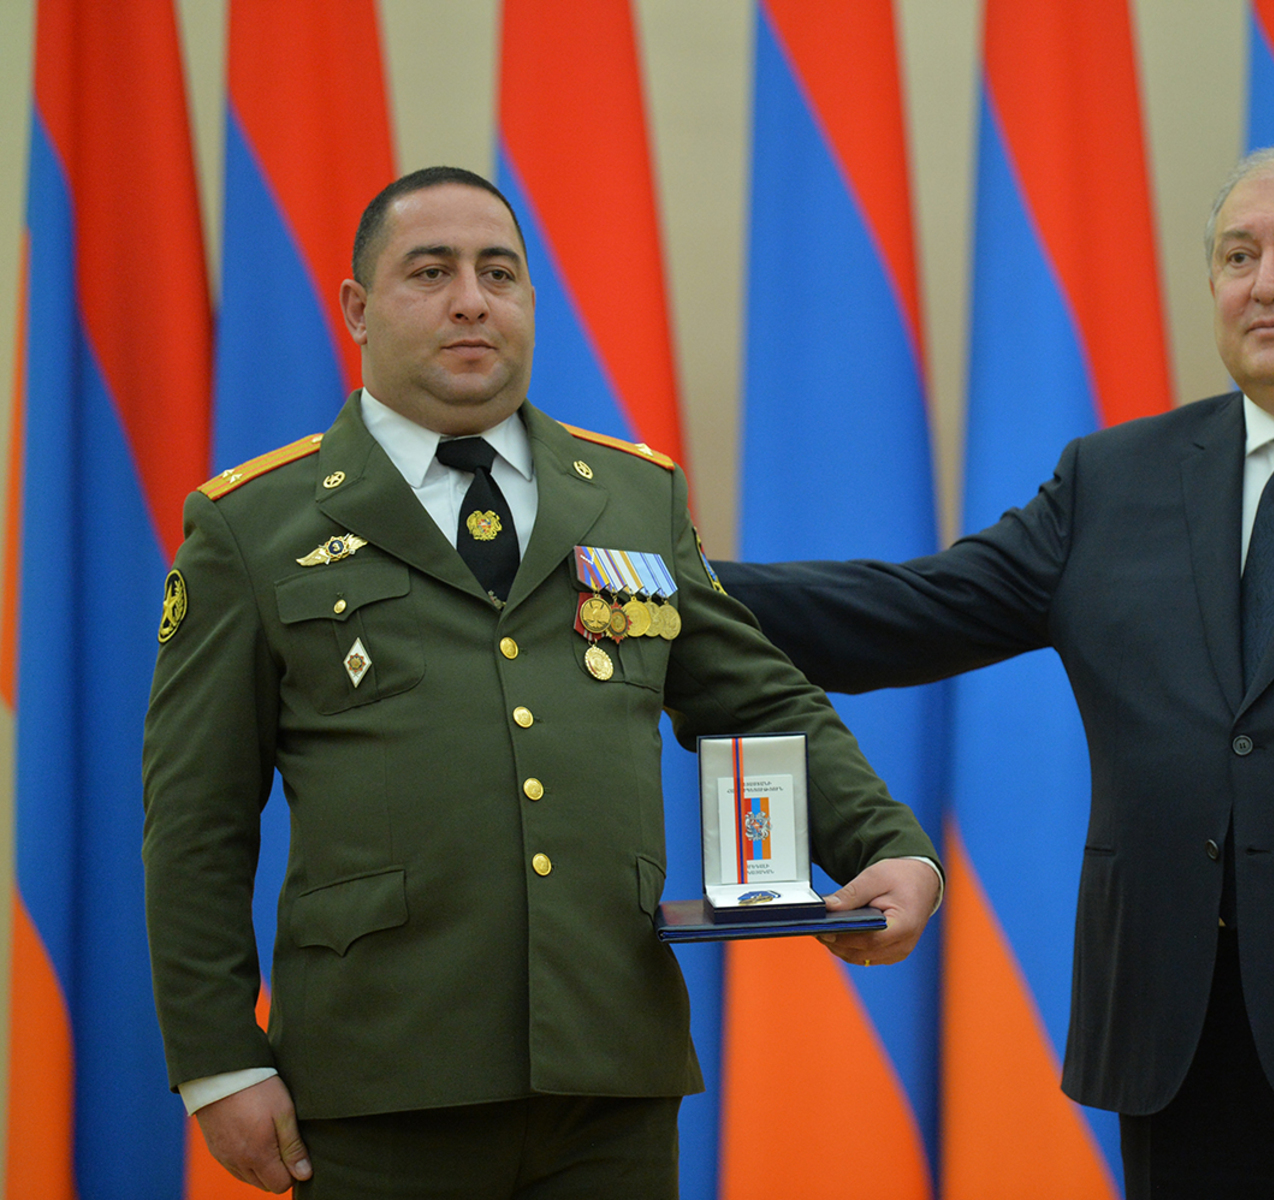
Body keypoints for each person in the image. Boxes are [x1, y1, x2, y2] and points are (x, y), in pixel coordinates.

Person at [715, 146, 1274, 1197]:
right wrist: (665, 582)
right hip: (1185, 1065)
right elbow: (909, 611)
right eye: (1238, 257)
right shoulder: (1112, 481)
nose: (1266, 282)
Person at [142, 166, 941, 1199]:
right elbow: (197, 817)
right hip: (381, 1080)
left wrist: (886, 845)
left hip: (608, 1071)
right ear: (357, 309)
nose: (471, 300)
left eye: (499, 272)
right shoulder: (254, 526)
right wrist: (220, 1061)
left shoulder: (632, 497)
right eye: (430, 272)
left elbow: (756, 700)